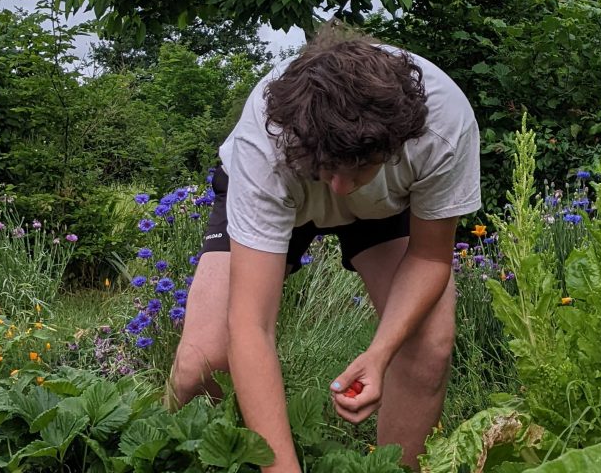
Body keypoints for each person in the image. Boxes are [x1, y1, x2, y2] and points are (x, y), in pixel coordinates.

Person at [165, 24, 480, 471]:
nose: (339, 187)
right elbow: (251, 324)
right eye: (330, 169)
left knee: (427, 347)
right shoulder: (268, 139)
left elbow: (430, 257)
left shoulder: (443, 127)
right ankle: (175, 459)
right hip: (288, 179)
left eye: (357, 169)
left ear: (396, 144)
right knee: (204, 361)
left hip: (387, 203)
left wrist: (379, 353)